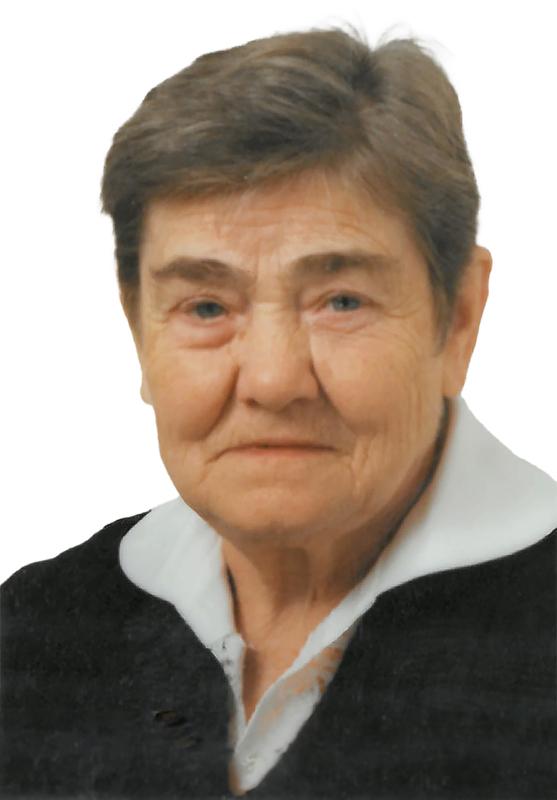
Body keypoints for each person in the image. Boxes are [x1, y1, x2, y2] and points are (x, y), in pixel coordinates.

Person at [1, 23, 556, 800]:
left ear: (457, 317)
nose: (271, 379)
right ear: (138, 329)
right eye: (205, 307)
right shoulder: (35, 631)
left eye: (340, 300)